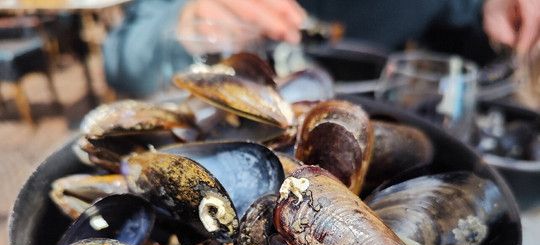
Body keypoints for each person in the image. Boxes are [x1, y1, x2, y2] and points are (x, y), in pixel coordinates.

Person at [102, 0, 540, 97]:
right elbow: (122, 60)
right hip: (238, 120)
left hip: (375, 133)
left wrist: (494, 10)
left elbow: (465, 31)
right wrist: (185, 25)